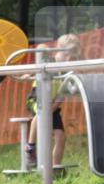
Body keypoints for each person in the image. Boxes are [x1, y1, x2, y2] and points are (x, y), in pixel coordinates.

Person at [25, 34, 82, 168]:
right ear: (59, 49)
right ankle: (30, 147)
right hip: (37, 97)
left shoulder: (67, 70)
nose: (68, 59)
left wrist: (53, 108)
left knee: (60, 136)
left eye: (72, 57)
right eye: (66, 55)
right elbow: (39, 56)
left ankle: (55, 167)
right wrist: (29, 73)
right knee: (41, 113)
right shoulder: (49, 60)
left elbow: (62, 95)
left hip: (54, 103)